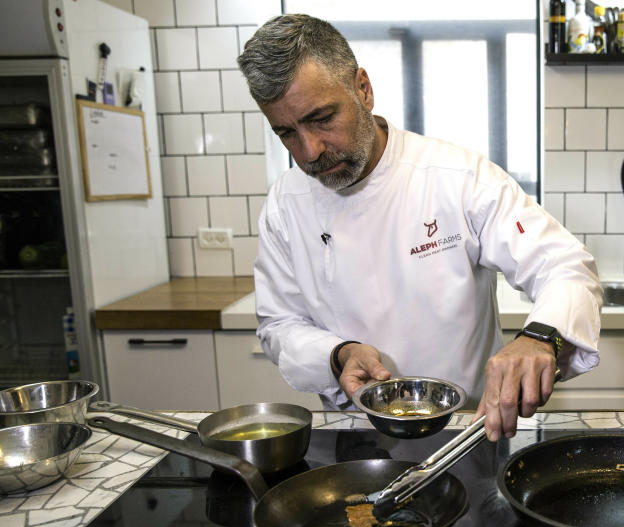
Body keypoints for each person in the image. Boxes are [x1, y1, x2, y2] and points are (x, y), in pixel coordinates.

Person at [237, 14, 602, 441]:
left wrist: (539, 339)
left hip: (467, 433)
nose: (310, 150)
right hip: (354, 434)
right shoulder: (286, 203)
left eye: (321, 119)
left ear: (363, 89)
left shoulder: (457, 176)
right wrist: (338, 355)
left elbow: (563, 265)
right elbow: (279, 325)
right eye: (286, 132)